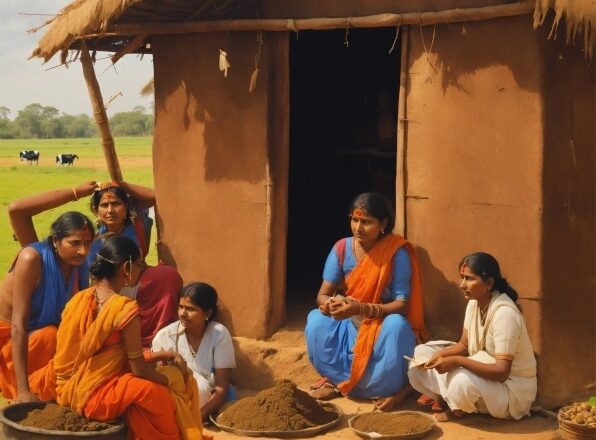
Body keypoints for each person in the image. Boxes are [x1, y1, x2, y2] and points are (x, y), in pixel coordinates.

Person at [54, 235, 208, 440]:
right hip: (96, 397)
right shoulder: (125, 309)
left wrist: (162, 354)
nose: (140, 272)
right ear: (126, 268)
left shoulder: (78, 300)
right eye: (138, 265)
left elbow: (103, 356)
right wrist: (167, 380)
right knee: (163, 392)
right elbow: (138, 369)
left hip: (67, 390)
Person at [305, 192, 428, 410]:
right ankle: (336, 380)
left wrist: (362, 308)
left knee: (398, 325)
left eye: (366, 222)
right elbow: (322, 294)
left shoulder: (395, 252)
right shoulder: (342, 248)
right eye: (354, 220)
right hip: (348, 318)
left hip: (381, 322)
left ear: (383, 224)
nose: (358, 227)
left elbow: (402, 304)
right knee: (315, 319)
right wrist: (329, 306)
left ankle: (380, 387)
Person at [408, 252, 537, 422]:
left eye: (469, 279)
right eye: (462, 278)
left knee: (460, 382)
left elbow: (501, 372)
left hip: (511, 391)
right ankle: (454, 401)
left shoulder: (505, 314)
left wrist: (457, 361)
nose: (462, 285)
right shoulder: (474, 303)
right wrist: (440, 356)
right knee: (421, 354)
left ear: (489, 283)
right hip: (482, 370)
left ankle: (460, 406)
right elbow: (464, 345)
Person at [0, 182, 96, 402]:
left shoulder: (77, 263)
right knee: (50, 336)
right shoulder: (32, 258)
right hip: (11, 348)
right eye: (74, 243)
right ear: (55, 241)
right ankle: (25, 387)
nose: (82, 250)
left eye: (88, 243)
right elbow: (18, 326)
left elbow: (81, 315)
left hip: (38, 342)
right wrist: (75, 193)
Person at [88, 181, 182, 347]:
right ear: (96, 211)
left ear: (126, 207)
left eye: (116, 204)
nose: (110, 210)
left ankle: (158, 338)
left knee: (168, 275)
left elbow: (154, 196)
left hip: (138, 281)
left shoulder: (138, 224)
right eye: (104, 205)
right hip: (110, 291)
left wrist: (120, 183)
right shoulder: (91, 241)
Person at [152, 282, 237, 423]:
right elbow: (159, 380)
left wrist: (197, 417)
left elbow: (222, 387)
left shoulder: (219, 334)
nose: (182, 314)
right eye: (180, 307)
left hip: (208, 403)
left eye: (190, 309)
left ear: (207, 313)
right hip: (175, 403)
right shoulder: (165, 336)